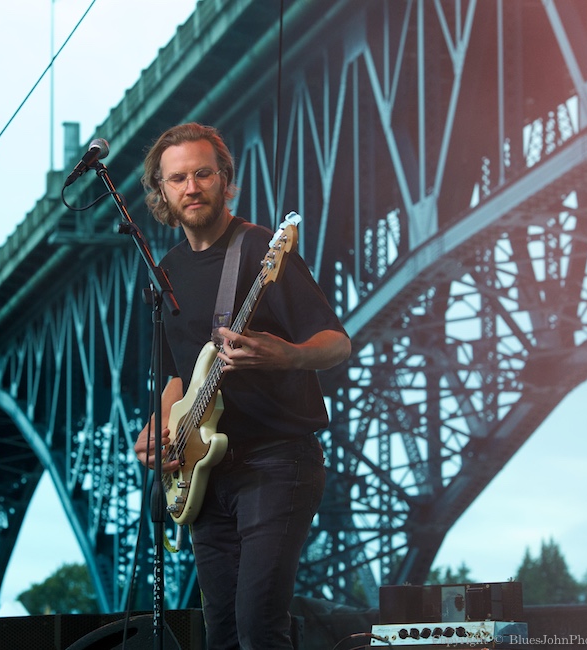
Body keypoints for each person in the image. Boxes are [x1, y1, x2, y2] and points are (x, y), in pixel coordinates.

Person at [132, 122, 351, 649]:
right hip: (205, 473)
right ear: (160, 192)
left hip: (276, 463)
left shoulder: (261, 250)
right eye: (178, 178)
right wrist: (160, 429)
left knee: (258, 629)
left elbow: (337, 343)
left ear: (226, 180)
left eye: (203, 173)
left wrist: (288, 354)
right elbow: (176, 376)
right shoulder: (165, 273)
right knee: (223, 635)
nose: (192, 187)